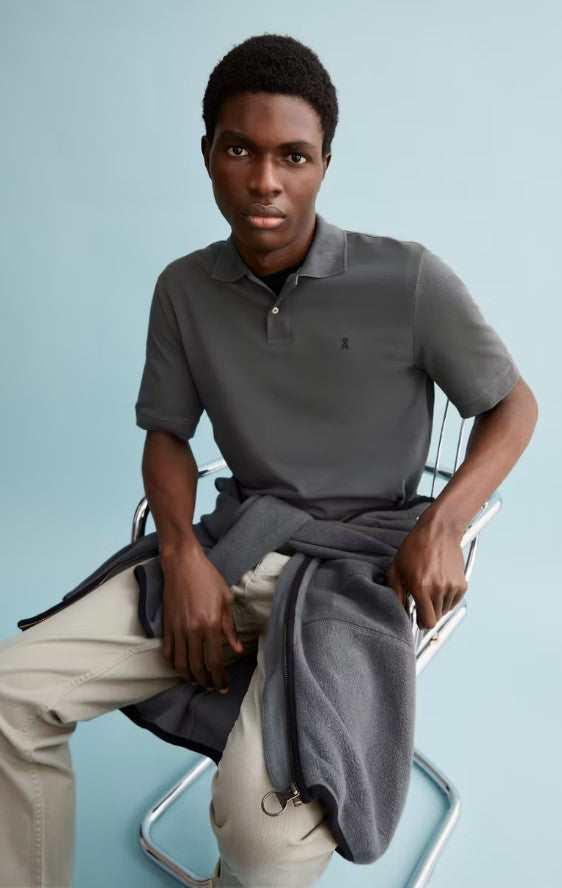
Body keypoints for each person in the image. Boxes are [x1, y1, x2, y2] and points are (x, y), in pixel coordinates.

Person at [0, 33, 538, 888]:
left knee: (261, 844)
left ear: (325, 164)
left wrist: (444, 523)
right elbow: (167, 435)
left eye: (293, 155)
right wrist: (182, 552)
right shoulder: (183, 289)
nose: (264, 181)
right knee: (10, 696)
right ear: (207, 153)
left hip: (361, 574)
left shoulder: (406, 279)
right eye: (239, 150)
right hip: (236, 544)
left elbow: (514, 405)